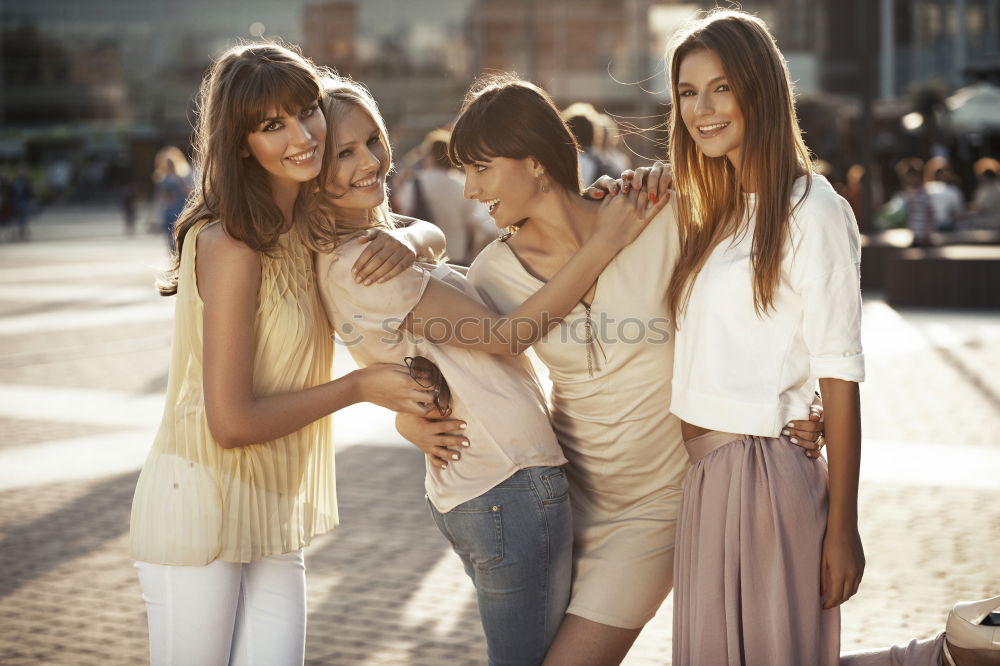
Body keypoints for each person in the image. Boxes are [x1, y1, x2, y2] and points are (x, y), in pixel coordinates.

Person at [396, 74, 826, 666]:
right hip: (560, 502)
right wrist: (407, 422)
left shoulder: (659, 215)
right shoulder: (493, 271)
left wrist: (806, 401)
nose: (469, 190)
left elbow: (766, 301)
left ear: (535, 162)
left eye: (482, 169)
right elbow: (468, 375)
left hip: (658, 505)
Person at [663, 11, 999, 666]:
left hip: (763, 479)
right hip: (707, 480)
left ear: (759, 89)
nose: (701, 108)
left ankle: (944, 657)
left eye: (721, 87)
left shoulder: (812, 210)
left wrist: (842, 528)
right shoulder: (719, 213)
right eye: (687, 91)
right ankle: (946, 656)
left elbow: (840, 378)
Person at [312, 75, 667, 665]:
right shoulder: (421, 267)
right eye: (343, 152)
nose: (370, 160)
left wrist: (416, 237)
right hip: (519, 486)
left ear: (534, 161)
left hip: (545, 489)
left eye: (372, 141)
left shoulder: (377, 245)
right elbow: (502, 339)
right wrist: (602, 244)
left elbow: (428, 285)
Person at [127, 43, 441, 666]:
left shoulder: (308, 224)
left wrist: (415, 240)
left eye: (306, 113)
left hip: (272, 508)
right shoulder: (233, 244)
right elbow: (232, 421)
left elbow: (410, 226)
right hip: (201, 506)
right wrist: (360, 387)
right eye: (273, 125)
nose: (303, 136)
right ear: (242, 143)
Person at [395, 129, 496, 264]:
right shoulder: (463, 184)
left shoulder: (415, 183)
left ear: (429, 156)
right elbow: (473, 222)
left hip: (427, 254)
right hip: (459, 254)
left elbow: (404, 212)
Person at [152, 146, 193, 251]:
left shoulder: (182, 178)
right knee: (169, 235)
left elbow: (188, 192)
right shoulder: (163, 178)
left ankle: (177, 253)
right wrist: (155, 213)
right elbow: (160, 196)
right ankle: (173, 254)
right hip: (168, 210)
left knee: (179, 234)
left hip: (179, 208)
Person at [924, 156, 964, 231]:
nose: (943, 174)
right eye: (940, 172)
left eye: (945, 171)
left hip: (940, 228)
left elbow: (958, 214)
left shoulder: (954, 190)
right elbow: (959, 214)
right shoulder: (925, 189)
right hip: (937, 228)